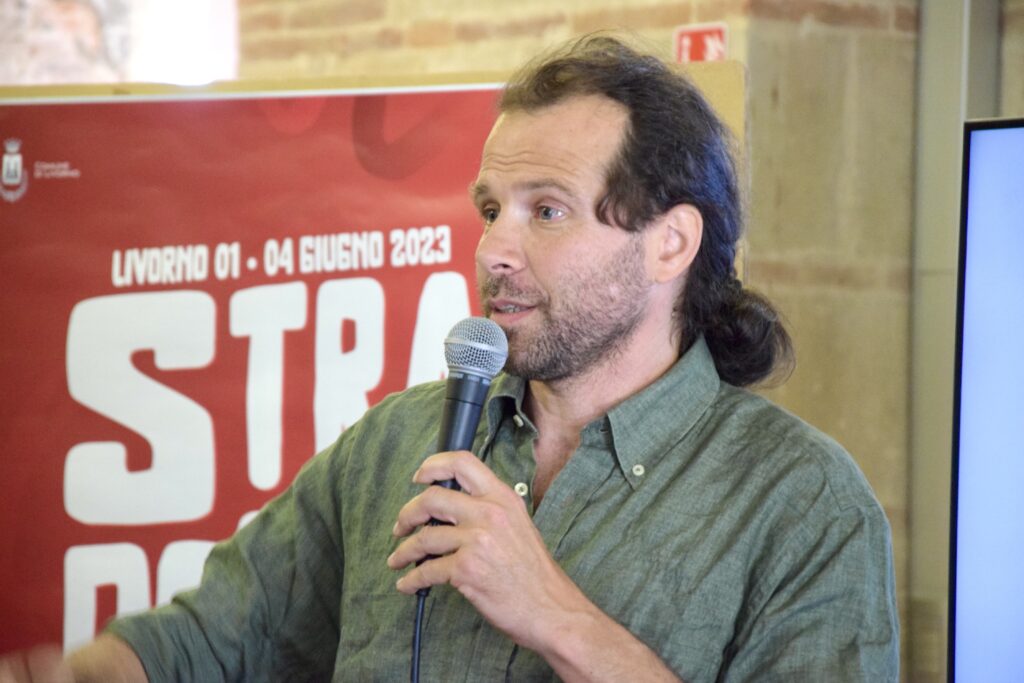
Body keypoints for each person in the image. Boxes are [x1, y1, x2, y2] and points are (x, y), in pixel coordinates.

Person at [0, 35, 899, 682]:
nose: (494, 249)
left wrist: (555, 614)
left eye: (547, 210)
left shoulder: (802, 502)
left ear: (670, 244)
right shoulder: (394, 445)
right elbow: (201, 646)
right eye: (490, 208)